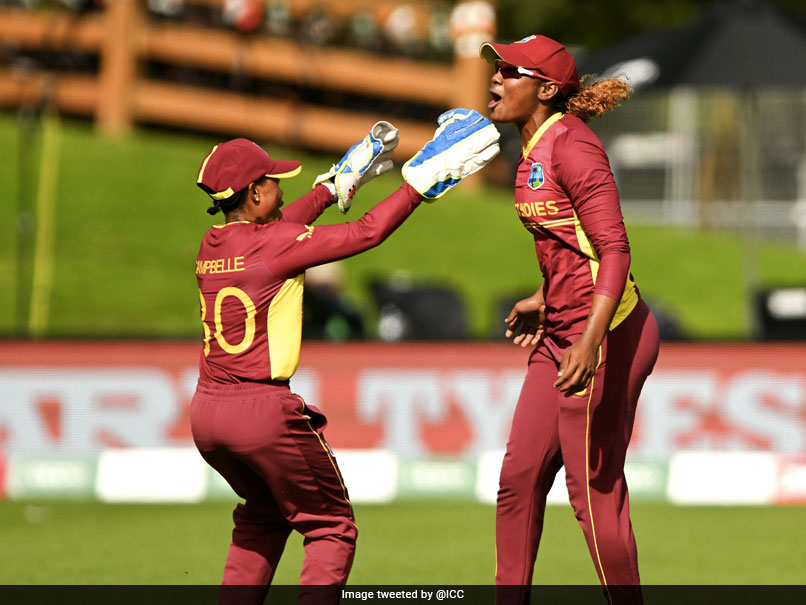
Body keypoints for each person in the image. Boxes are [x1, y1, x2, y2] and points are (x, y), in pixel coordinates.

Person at [190, 110, 499, 603]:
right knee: (331, 525)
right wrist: (418, 185)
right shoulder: (275, 244)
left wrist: (333, 187)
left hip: (207, 412)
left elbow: (279, 230)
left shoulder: (212, 246)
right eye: (272, 182)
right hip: (262, 412)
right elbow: (366, 232)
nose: (281, 189)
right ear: (253, 194)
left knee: (263, 515)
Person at [478, 35, 660, 604]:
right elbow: (569, 242)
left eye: (510, 70)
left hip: (604, 335)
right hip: (561, 331)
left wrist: (589, 341)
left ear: (546, 89)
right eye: (496, 67)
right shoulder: (532, 147)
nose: (496, 77)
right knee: (518, 480)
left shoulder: (574, 148)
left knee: (593, 493)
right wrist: (545, 294)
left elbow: (615, 251)